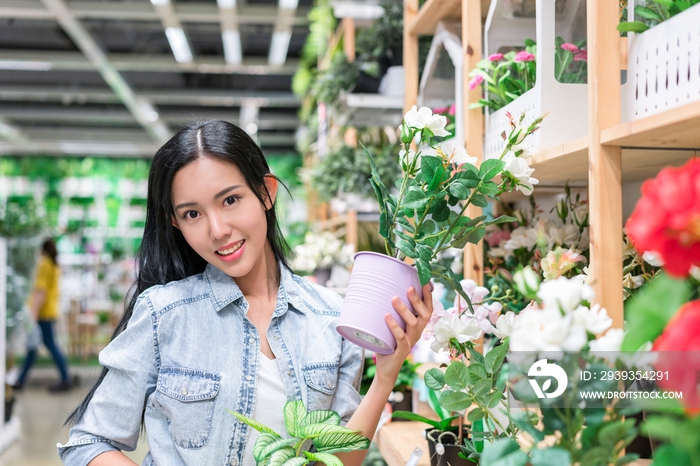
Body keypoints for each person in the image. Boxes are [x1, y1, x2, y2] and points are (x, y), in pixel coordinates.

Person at [58, 120, 433, 466]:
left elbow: (338, 461)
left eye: (230, 200)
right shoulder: (164, 314)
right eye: (192, 214)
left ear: (266, 193)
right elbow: (89, 442)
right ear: (176, 223)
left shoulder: (331, 317)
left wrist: (386, 375)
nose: (218, 229)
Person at [14, 238, 72, 392]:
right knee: (35, 346)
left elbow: (41, 291)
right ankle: (20, 380)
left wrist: (32, 313)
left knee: (47, 344)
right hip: (49, 311)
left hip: (42, 313)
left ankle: (66, 378)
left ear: (42, 249)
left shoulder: (44, 264)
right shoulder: (54, 265)